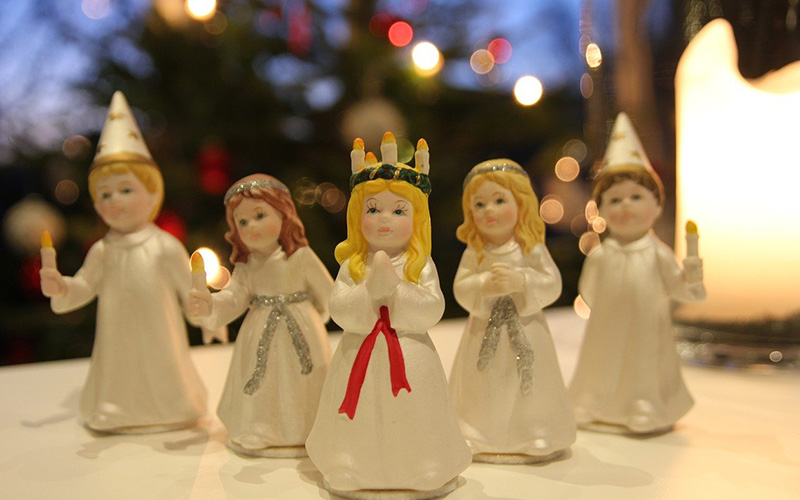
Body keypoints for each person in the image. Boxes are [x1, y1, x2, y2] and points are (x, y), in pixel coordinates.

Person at [305, 133, 471, 498]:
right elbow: (339, 308)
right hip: (357, 356)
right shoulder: (352, 265)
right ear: (357, 216)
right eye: (373, 209)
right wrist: (369, 292)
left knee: (414, 413)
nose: (384, 220)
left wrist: (395, 292)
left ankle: (424, 464)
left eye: (398, 211)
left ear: (416, 218)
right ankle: (349, 462)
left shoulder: (420, 265)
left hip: (412, 359)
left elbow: (433, 308)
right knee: (360, 416)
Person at [40, 91, 206, 433]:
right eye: (105, 194)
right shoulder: (103, 250)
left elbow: (189, 290)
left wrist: (205, 313)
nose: (114, 201)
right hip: (117, 337)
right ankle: (116, 409)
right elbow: (84, 285)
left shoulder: (164, 246)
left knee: (162, 363)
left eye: (126, 190)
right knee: (119, 367)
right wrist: (63, 287)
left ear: (152, 193)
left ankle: (172, 407)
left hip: (159, 335)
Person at [568, 112, 706, 434]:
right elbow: (588, 290)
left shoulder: (657, 253)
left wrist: (691, 275)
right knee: (602, 360)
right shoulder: (602, 255)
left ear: (657, 205)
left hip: (646, 326)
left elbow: (682, 289)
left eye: (636, 197)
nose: (625, 206)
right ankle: (593, 401)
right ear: (601, 209)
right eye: (615, 200)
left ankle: (644, 403)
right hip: (607, 325)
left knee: (642, 362)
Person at [189, 174, 333, 457]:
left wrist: (317, 317)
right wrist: (210, 305)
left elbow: (328, 293)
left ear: (283, 214)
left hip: (303, 328)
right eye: (242, 222)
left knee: (302, 382)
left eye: (259, 215)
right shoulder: (247, 266)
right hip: (258, 330)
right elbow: (233, 298)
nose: (252, 226)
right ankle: (259, 427)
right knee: (263, 381)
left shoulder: (301, 257)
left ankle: (308, 427)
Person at [449, 158, 575, 463]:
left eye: (499, 201)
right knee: (485, 382)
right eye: (479, 205)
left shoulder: (530, 248)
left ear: (520, 203)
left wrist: (521, 280)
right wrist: (483, 284)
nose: (488, 210)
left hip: (528, 330)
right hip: (483, 333)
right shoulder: (476, 252)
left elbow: (552, 283)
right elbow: (461, 287)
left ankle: (534, 431)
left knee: (528, 383)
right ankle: (477, 432)